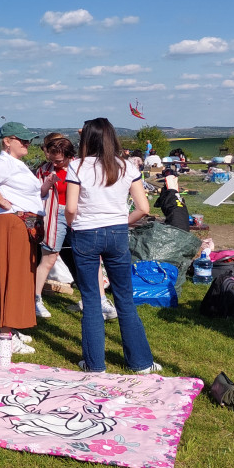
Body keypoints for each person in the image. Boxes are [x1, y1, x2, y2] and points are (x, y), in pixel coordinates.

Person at [65, 117, 159, 375]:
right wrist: (120, 222)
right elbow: (144, 208)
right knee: (125, 298)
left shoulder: (77, 167)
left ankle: (95, 364)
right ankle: (140, 362)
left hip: (85, 234)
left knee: (92, 300)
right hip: (117, 233)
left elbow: (71, 207)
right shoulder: (128, 166)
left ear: (87, 139)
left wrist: (73, 224)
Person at [0, 123, 43, 356]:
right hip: (12, 222)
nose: (27, 143)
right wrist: (2, 200)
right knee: (12, 276)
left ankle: (10, 326)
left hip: (20, 222)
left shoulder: (15, 163)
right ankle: (5, 332)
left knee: (20, 275)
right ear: (7, 141)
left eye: (29, 140)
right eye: (22, 139)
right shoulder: (3, 162)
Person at [32, 133, 76, 318]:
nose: (55, 163)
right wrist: (47, 184)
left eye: (59, 160)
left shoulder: (79, 167)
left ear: (68, 155)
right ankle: (36, 299)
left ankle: (95, 299)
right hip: (54, 213)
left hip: (77, 214)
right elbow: (37, 194)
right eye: (52, 159)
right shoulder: (44, 170)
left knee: (87, 258)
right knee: (49, 257)